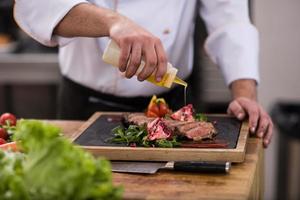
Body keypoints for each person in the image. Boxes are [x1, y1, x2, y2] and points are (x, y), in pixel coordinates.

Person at [13, 0, 273, 147]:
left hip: (172, 107)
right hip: (83, 105)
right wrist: (113, 22)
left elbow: (229, 18)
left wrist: (245, 93)